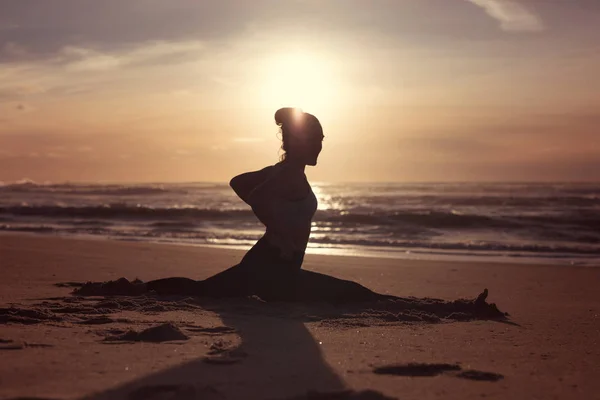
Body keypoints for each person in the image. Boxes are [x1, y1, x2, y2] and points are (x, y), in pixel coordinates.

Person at [146, 108, 387, 302]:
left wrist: (277, 221)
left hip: (271, 267)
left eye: (321, 140)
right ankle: (134, 290)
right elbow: (259, 197)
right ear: (298, 141)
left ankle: (134, 289)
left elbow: (238, 182)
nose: (319, 146)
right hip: (272, 269)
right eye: (314, 140)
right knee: (353, 294)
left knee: (201, 290)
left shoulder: (282, 171)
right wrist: (278, 230)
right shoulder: (287, 174)